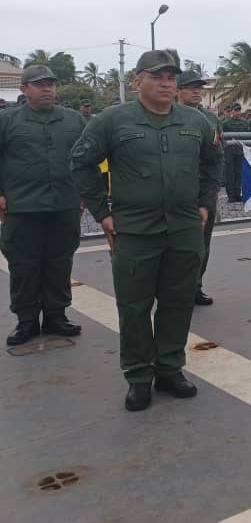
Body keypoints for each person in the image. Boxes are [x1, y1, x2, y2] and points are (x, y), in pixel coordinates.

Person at [71, 50, 222, 411]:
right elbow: (81, 163)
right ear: (138, 81)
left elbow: (213, 164)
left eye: (172, 77)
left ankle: (170, 368)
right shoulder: (112, 120)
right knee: (135, 306)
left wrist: (204, 203)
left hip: (184, 227)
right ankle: (138, 375)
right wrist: (103, 213)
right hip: (135, 229)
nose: (167, 83)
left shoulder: (196, 121)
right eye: (158, 77)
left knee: (177, 301)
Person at [1, 65, 87, 346]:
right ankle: (26, 321)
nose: (47, 89)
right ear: (24, 89)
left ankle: (56, 316)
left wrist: (86, 193)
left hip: (64, 204)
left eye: (50, 84)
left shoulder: (74, 120)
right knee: (24, 266)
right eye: (39, 84)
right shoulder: (7, 121)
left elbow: (87, 160)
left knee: (59, 263)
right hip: (22, 207)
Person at [176, 71, 223, 306]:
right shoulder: (170, 115)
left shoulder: (210, 120)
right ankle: (177, 288)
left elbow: (216, 156)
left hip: (203, 190)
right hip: (176, 191)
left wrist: (212, 189)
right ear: (178, 90)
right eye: (190, 87)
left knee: (202, 243)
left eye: (199, 87)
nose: (196, 91)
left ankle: (196, 286)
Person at [220, 103, 250, 202]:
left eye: (239, 110)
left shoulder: (245, 123)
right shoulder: (225, 123)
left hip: (240, 151)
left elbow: (247, 136)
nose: (237, 112)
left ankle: (237, 193)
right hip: (229, 151)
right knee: (230, 173)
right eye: (235, 110)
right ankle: (231, 195)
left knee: (239, 173)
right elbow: (222, 137)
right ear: (232, 111)